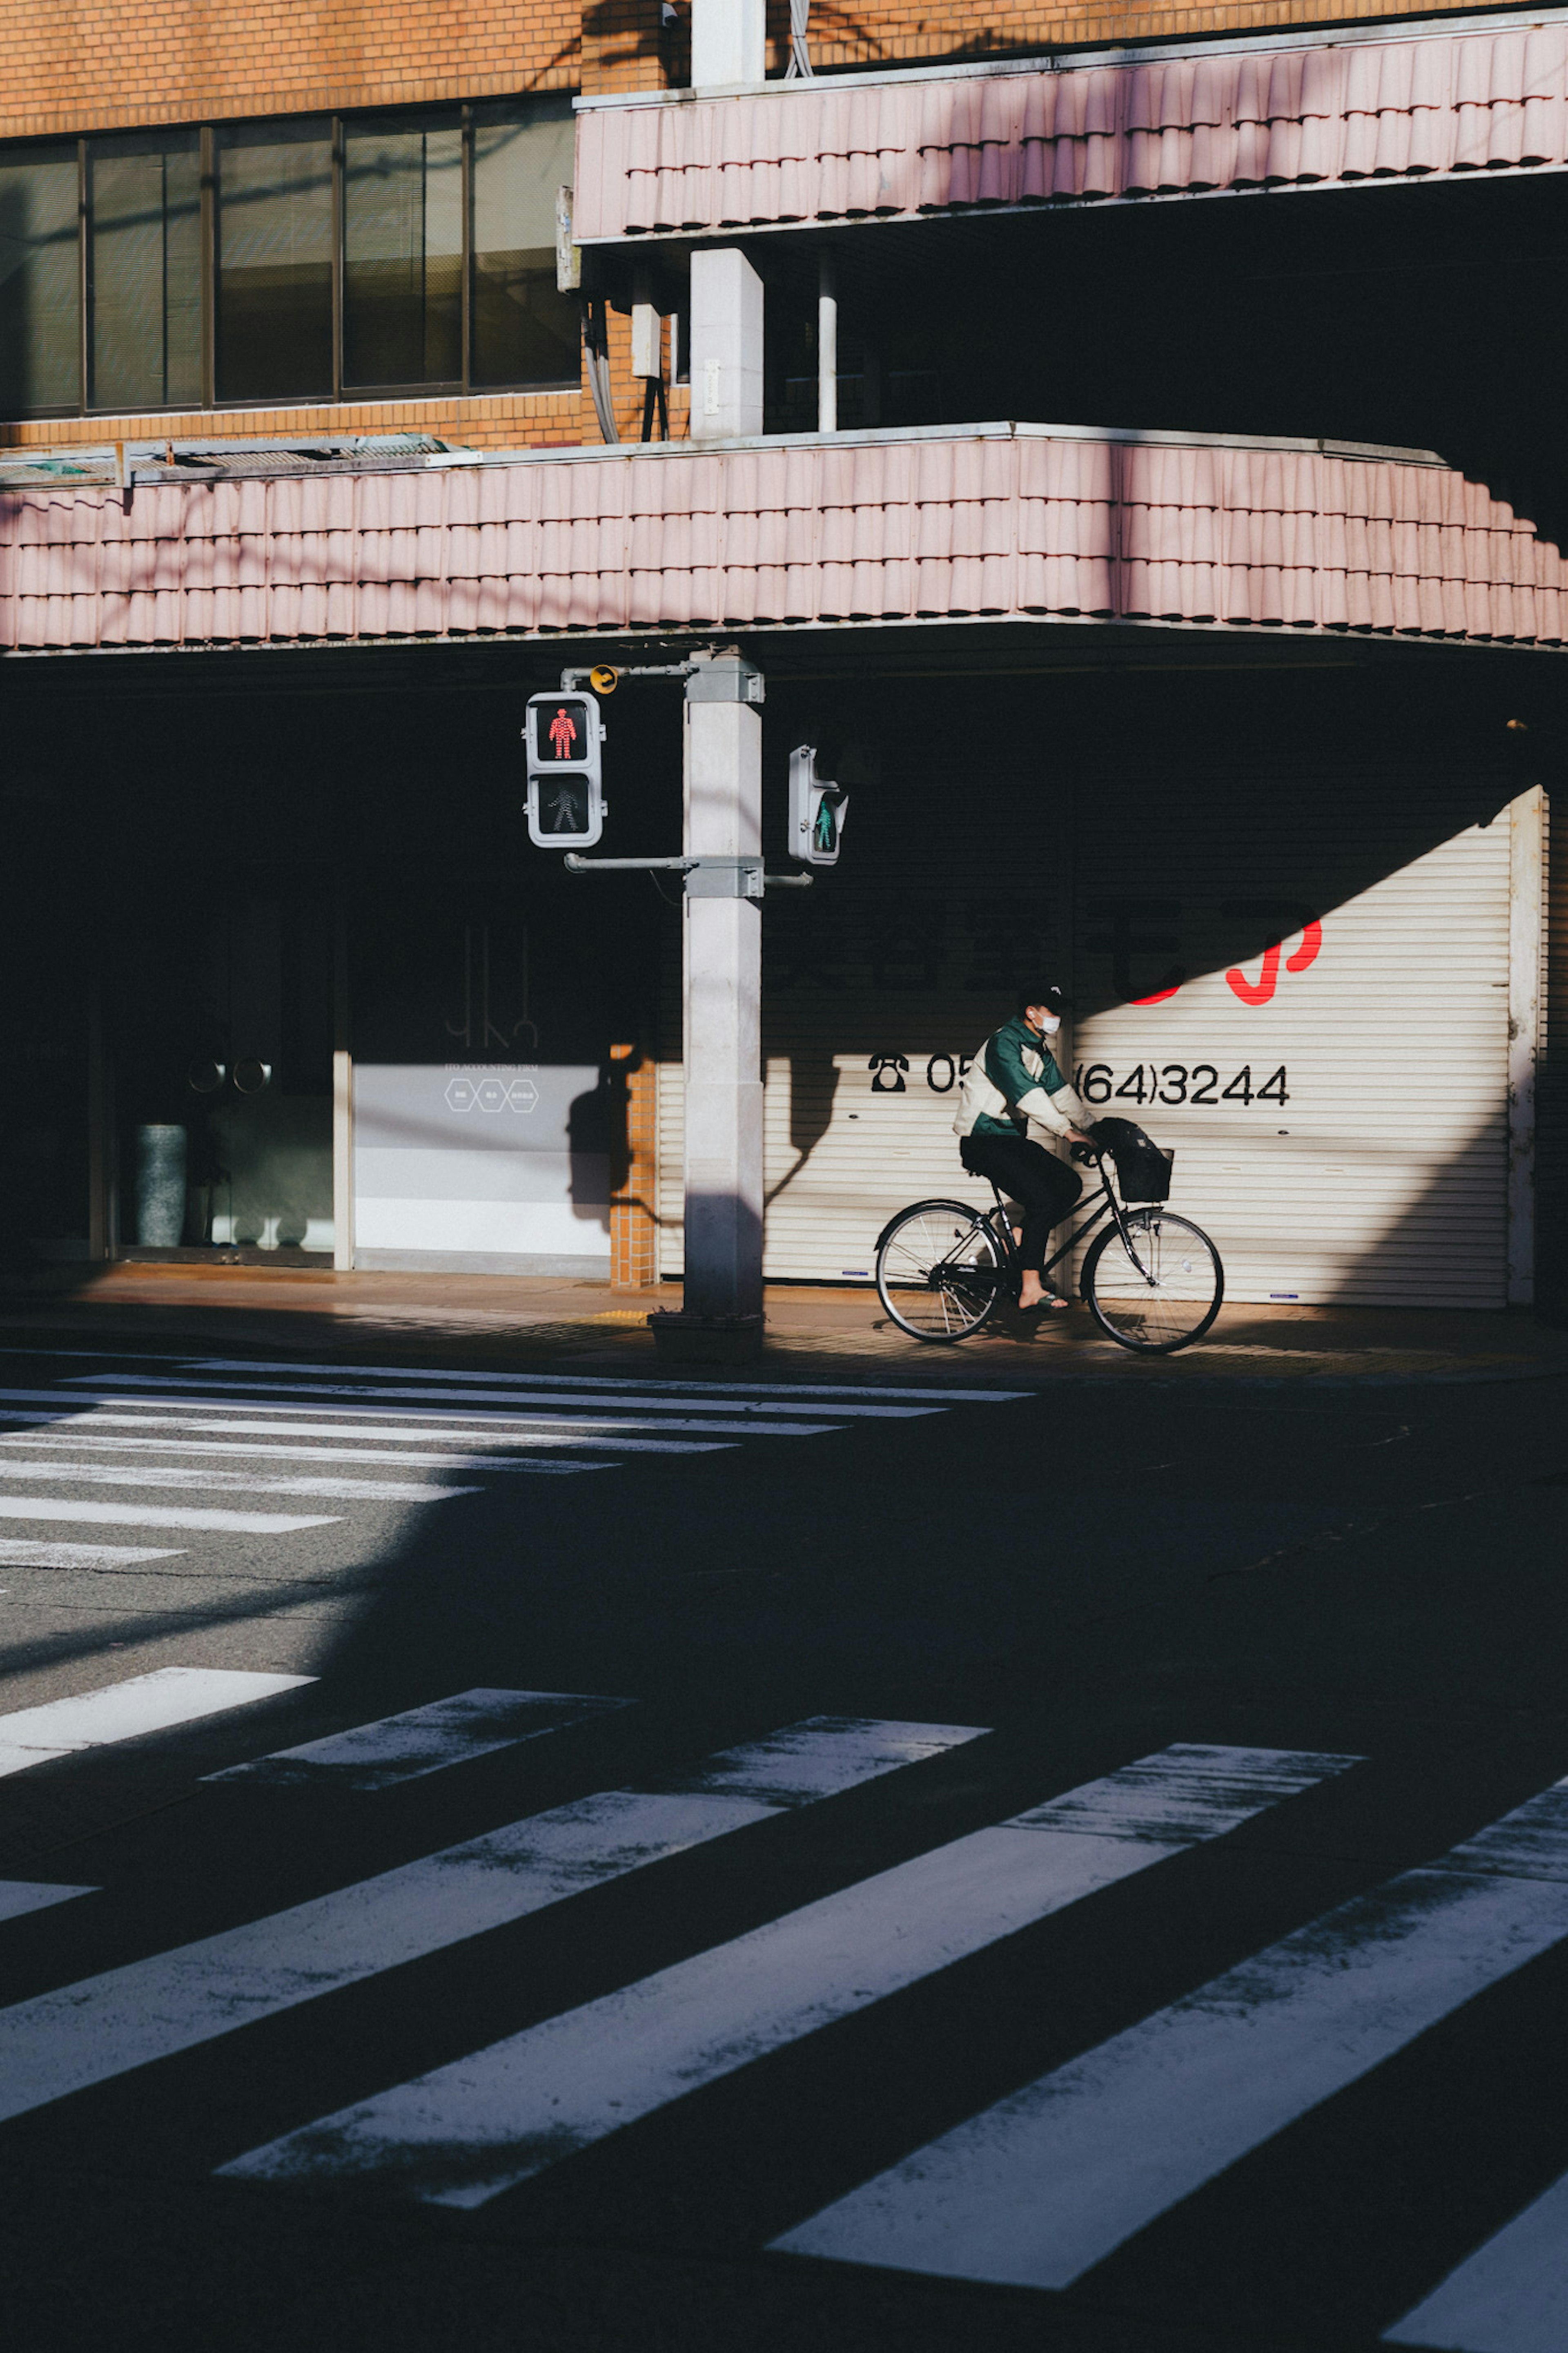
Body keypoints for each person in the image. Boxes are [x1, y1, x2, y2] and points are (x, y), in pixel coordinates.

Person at [952, 984, 1098, 1312]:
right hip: (983, 1140)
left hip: (1009, 1139)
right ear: (1031, 1013)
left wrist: (1092, 1127)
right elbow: (1026, 1094)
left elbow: (1061, 1093)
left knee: (1069, 1184)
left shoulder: (1038, 1049)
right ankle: (1030, 1287)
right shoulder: (1005, 1043)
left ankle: (1019, 1235)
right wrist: (1067, 1132)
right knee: (1043, 1200)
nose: (1057, 1018)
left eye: (1059, 1011)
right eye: (1051, 1010)